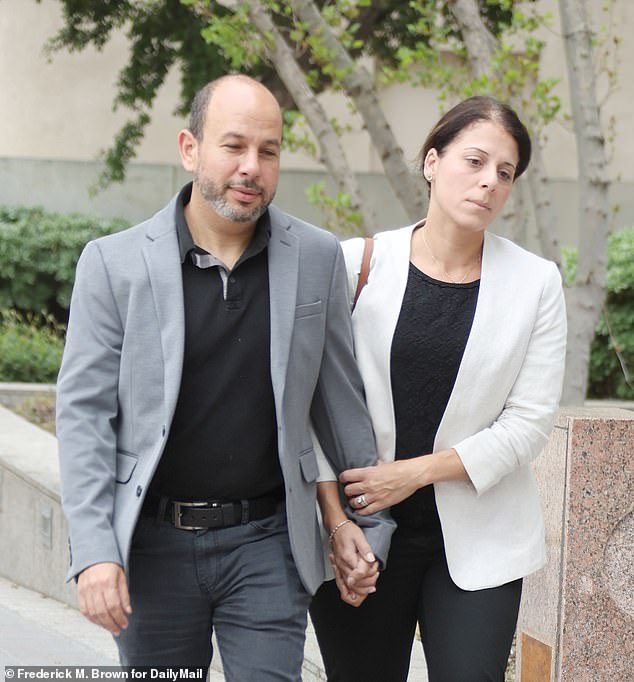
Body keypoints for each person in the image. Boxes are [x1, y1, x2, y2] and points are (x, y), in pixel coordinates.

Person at [56, 74, 394, 679]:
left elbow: (340, 406)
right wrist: (95, 552)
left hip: (266, 543)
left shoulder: (316, 258)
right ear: (190, 149)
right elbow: (84, 419)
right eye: (233, 146)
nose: (251, 167)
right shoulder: (113, 264)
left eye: (268, 151)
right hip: (152, 546)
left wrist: (365, 525)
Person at [309, 96, 568, 681]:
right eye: (474, 161)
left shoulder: (534, 283)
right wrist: (337, 524)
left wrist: (415, 471)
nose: (488, 183)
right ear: (431, 161)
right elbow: (309, 406)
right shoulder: (355, 265)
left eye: (504, 173)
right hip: (361, 534)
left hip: (480, 538)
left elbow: (528, 423)